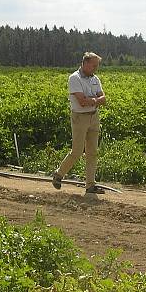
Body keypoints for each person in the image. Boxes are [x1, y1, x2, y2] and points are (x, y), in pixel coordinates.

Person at [52, 52, 107, 194]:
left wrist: (92, 100)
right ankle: (58, 174)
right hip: (80, 118)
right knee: (76, 151)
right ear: (86, 63)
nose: (96, 68)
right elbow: (82, 102)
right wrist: (95, 100)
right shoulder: (74, 78)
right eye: (94, 65)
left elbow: (104, 98)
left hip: (94, 117)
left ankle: (90, 185)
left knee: (92, 152)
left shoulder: (95, 79)